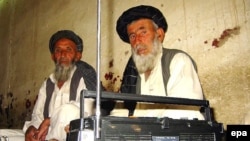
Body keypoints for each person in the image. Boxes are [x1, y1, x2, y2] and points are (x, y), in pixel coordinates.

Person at [23, 30, 113, 141]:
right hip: (45, 134)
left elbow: (88, 109)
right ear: (53, 57)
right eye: (58, 50)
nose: (63, 54)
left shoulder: (84, 76)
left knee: (68, 111)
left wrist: (51, 120)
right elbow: (37, 115)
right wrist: (31, 129)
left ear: (78, 56)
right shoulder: (48, 83)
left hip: (73, 133)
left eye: (68, 49)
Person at [115, 5, 204, 117]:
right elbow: (118, 114)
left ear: (159, 35)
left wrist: (138, 124)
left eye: (143, 32)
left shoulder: (178, 60)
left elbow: (184, 110)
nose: (137, 41)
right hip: (137, 133)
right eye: (132, 36)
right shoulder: (131, 74)